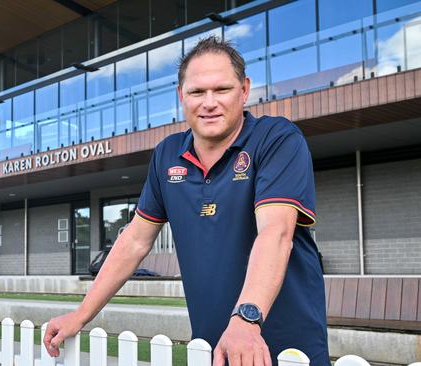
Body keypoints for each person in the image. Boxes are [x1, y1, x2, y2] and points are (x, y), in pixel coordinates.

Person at [43, 36, 330, 365]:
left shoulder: (276, 139)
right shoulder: (167, 155)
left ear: (245, 90)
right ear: (181, 96)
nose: (209, 102)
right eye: (197, 92)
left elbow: (275, 233)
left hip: (287, 348)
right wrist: (80, 314)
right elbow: (134, 240)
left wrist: (246, 321)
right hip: (212, 349)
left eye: (221, 89)